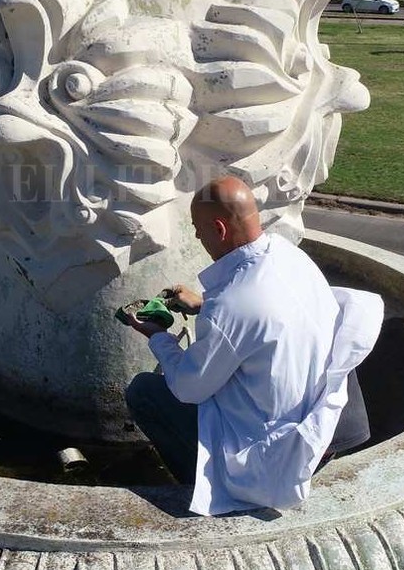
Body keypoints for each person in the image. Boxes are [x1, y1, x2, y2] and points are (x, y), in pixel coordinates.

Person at [123, 177, 381, 516]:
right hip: (335, 426)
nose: (199, 238)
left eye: (199, 230)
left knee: (144, 391)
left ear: (219, 228)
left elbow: (189, 387)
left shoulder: (232, 306)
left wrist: (158, 336)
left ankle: (208, 494)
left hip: (280, 454)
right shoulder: (289, 256)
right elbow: (269, 314)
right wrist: (204, 304)